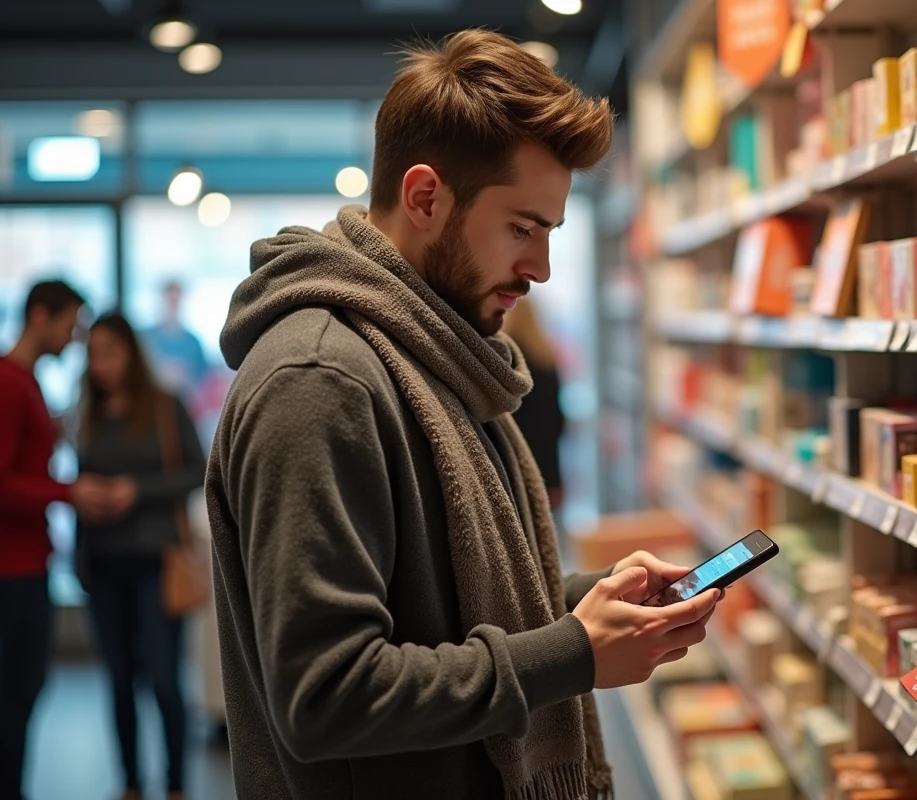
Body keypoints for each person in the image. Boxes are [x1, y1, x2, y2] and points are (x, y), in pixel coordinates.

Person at [206, 30, 720, 800]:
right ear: (424, 198)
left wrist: (580, 598)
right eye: (523, 227)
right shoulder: (319, 378)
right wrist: (573, 653)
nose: (541, 269)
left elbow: (438, 593)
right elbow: (325, 695)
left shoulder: (439, 353)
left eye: (550, 233)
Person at [76, 313, 204, 800]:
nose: (101, 363)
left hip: (156, 560)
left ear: (131, 352)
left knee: (165, 680)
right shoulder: (87, 411)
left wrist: (136, 490)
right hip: (103, 562)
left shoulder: (165, 406)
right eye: (93, 353)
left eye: (109, 351)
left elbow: (197, 469)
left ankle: (176, 785)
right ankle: (130, 782)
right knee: (119, 680)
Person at [0, 280, 108, 800]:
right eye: (71, 324)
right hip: (12, 571)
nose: (75, 337)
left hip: (26, 565)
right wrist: (69, 492)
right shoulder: (10, 383)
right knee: (14, 697)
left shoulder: (27, 383)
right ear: (40, 315)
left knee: (21, 696)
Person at [504, 299, 567, 512]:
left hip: (513, 464)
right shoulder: (547, 358)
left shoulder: (504, 362)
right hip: (547, 464)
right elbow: (557, 421)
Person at [141, 280, 208, 397]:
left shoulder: (193, 342)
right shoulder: (145, 338)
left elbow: (203, 382)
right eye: (169, 301)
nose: (172, 306)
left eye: (175, 302)